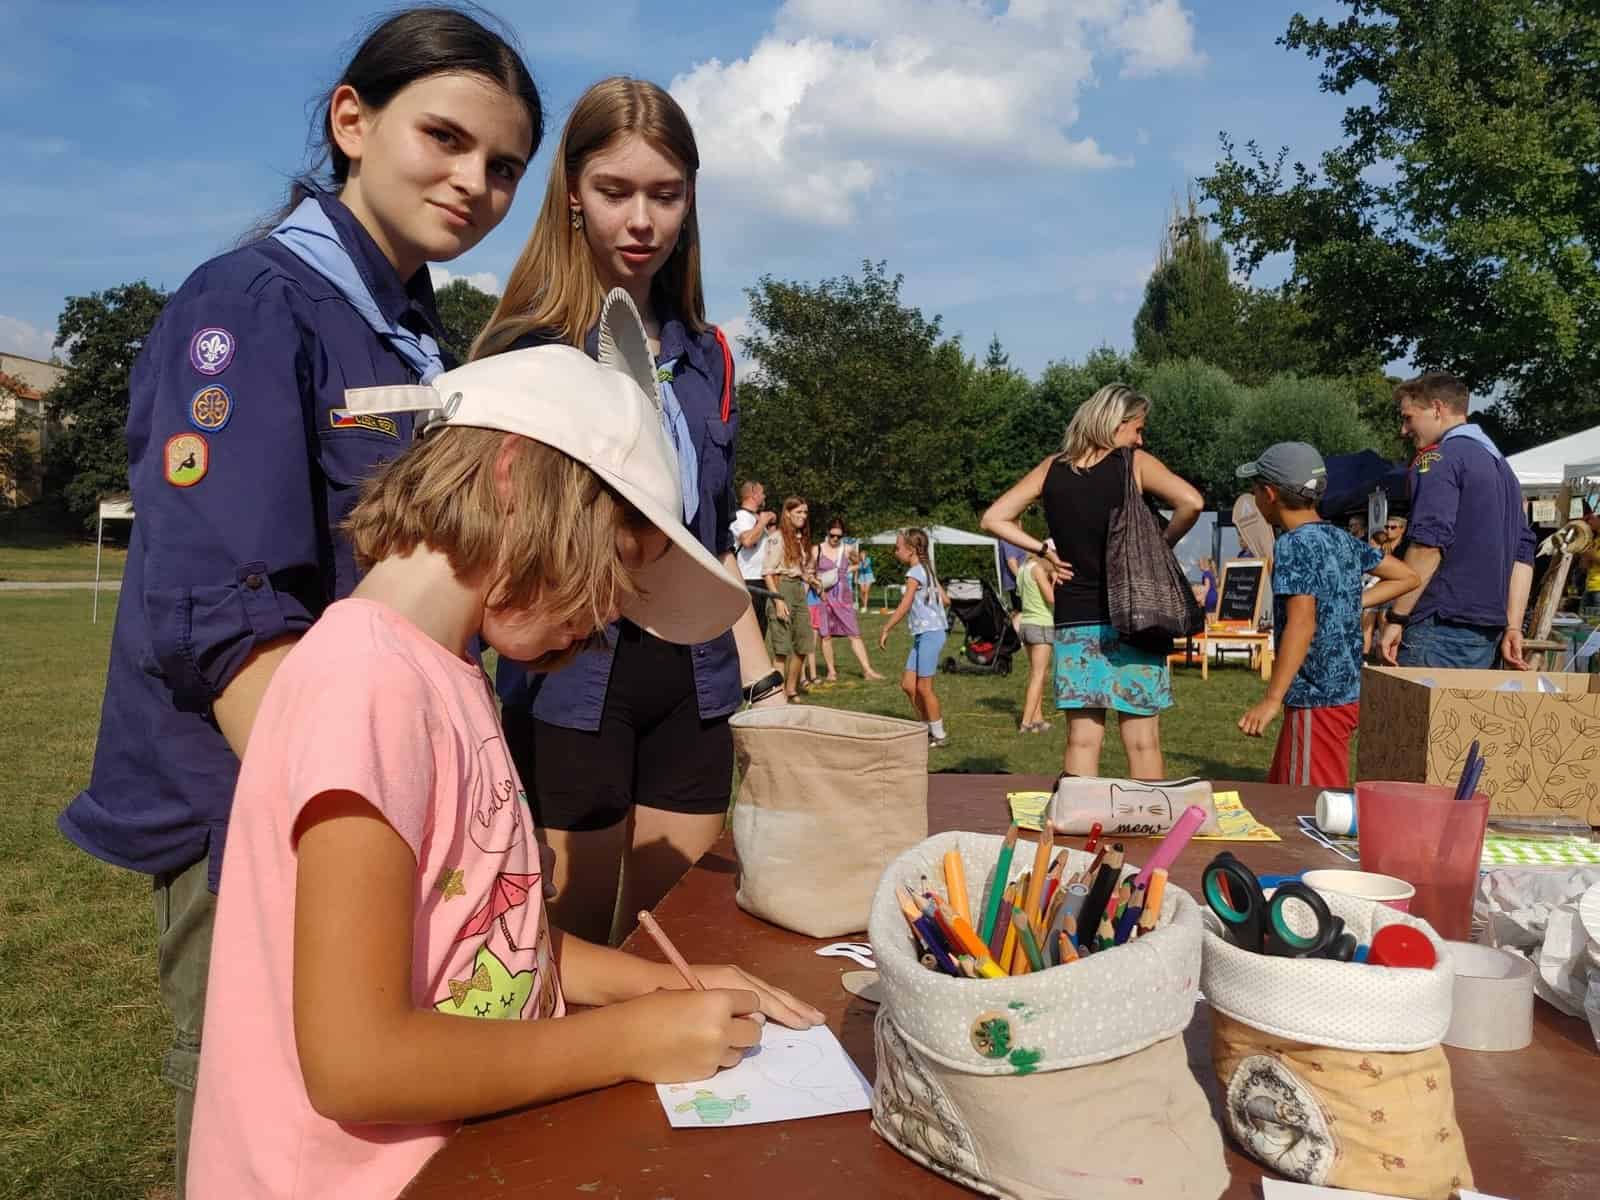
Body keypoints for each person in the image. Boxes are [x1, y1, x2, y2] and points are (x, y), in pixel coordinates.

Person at [53, 12, 542, 1191]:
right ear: (350, 120)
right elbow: (220, 620)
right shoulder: (248, 307)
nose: (475, 184)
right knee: (266, 1138)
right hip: (266, 815)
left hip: (377, 805)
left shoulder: (414, 331)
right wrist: (390, 818)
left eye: (507, 168)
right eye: (446, 138)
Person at [185, 297, 824, 1197]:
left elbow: (481, 938)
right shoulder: (365, 687)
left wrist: (646, 989)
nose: (610, 615)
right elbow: (355, 1064)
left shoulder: (444, 674)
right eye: (618, 569)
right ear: (517, 477)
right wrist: (626, 1043)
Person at [477, 77, 785, 946]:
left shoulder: (710, 353)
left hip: (696, 679)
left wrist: (760, 683)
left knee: (676, 933)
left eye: (666, 194)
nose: (641, 220)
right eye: (615, 192)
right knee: (568, 943)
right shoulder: (526, 348)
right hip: (572, 678)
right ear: (572, 193)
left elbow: (714, 529)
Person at [982, 383, 1203, 779]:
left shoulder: (1052, 468)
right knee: (1142, 742)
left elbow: (994, 517)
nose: (1140, 438)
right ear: (1116, 424)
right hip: (1136, 616)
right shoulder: (1133, 463)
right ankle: (1148, 829)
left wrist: (1043, 549)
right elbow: (1192, 502)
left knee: (1082, 741)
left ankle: (1077, 827)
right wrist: (1160, 543)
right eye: (1137, 428)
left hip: (1074, 620)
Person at [1234, 444, 1420, 787]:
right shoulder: (1341, 538)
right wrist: (1348, 601)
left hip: (1315, 698)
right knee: (1284, 796)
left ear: (1270, 494)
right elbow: (1407, 577)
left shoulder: (1293, 545)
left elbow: (1302, 623)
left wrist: (1271, 699)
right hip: (1344, 693)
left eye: (1256, 488)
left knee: (1308, 805)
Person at [1379, 372, 1536, 669]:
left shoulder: (1441, 459)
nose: (1404, 430)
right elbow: (1523, 553)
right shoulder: (1504, 470)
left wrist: (1397, 616)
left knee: (1416, 717)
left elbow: (1428, 545)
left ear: (1437, 409)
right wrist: (1514, 626)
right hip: (1488, 632)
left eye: (1409, 418)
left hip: (1438, 623)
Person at [877, 528, 951, 746]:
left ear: (910, 550)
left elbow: (905, 604)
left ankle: (939, 734)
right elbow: (946, 600)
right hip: (925, 634)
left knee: (924, 688)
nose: (895, 551)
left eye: (897, 547)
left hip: (930, 634)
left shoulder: (915, 573)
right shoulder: (926, 569)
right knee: (909, 685)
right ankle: (926, 727)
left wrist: (887, 628)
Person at [813, 518, 884, 681]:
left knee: (854, 633)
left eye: (839, 536)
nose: (835, 539)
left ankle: (868, 670)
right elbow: (809, 569)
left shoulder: (847, 549)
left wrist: (846, 570)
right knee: (826, 635)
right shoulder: (817, 549)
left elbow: (860, 563)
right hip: (823, 595)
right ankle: (831, 672)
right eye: (832, 535)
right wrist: (817, 582)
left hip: (843, 596)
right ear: (827, 533)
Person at [764, 496, 820, 699]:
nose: (803, 516)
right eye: (799, 512)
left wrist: (811, 579)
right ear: (787, 513)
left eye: (805, 512)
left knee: (804, 643)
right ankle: (776, 696)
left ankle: (791, 688)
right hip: (781, 588)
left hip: (798, 590)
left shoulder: (798, 538)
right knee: (781, 649)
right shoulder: (777, 538)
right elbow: (768, 573)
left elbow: (796, 569)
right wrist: (778, 601)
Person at [1015, 552, 1057, 732]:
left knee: (1035, 675)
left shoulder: (1023, 569)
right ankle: (1026, 722)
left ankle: (1037, 719)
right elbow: (1051, 598)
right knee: (1039, 675)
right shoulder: (1038, 570)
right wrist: (1054, 580)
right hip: (1041, 625)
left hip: (1026, 624)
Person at [730, 479, 777, 636]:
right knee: (749, 634)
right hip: (748, 580)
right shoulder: (740, 516)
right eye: (762, 493)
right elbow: (748, 540)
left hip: (762, 580)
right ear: (753, 494)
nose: (764, 497)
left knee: (761, 632)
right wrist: (762, 521)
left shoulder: (755, 519)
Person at [856, 543, 877, 611]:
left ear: (865, 555)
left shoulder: (868, 559)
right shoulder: (858, 561)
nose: (862, 555)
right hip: (862, 576)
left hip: (868, 575)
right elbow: (857, 569)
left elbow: (865, 566)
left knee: (866, 591)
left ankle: (865, 606)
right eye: (861, 554)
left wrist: (864, 559)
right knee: (862, 592)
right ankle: (864, 604)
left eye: (863, 554)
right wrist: (855, 577)